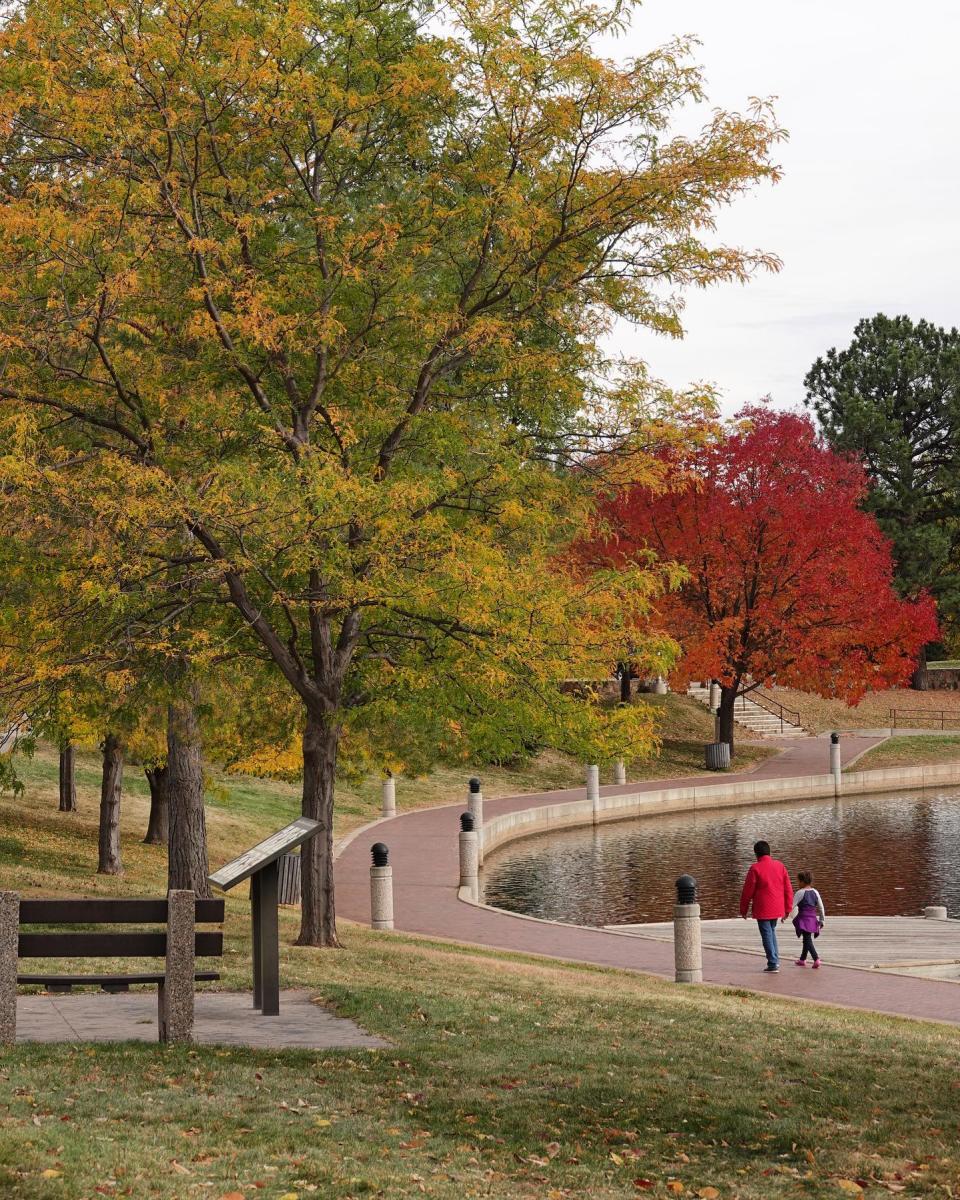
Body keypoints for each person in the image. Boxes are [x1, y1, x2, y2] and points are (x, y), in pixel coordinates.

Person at [739, 839, 794, 972]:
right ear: (769, 852)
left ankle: (773, 962)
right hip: (777, 907)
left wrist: (743, 909)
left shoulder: (755, 868)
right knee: (771, 931)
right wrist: (788, 908)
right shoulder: (780, 866)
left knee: (766, 934)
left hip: (763, 908)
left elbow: (747, 891)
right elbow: (788, 889)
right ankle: (775, 959)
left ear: (756, 854)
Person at [784, 870, 826, 968]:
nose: (798, 883)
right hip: (812, 918)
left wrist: (785, 915)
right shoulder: (815, 892)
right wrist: (822, 919)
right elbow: (821, 907)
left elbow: (791, 906)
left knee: (807, 939)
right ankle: (802, 959)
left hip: (803, 919)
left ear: (803, 881)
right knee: (806, 938)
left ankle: (816, 959)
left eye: (798, 881)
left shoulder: (800, 893)